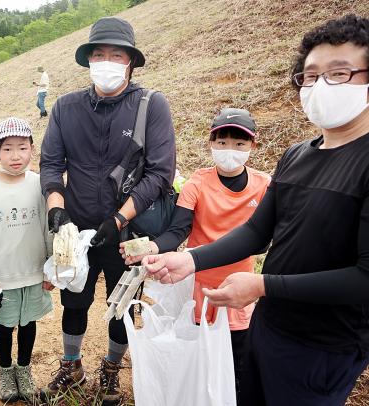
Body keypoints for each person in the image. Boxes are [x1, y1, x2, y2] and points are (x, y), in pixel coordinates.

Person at [143, 14, 369, 406]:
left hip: (326, 344)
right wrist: (190, 262)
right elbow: (256, 233)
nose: (320, 86)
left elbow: (365, 278)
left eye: (340, 73)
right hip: (270, 325)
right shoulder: (298, 155)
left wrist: (263, 286)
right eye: (310, 75)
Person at [39, 16, 175, 404]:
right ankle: (71, 364)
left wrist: (119, 218)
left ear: (130, 62)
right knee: (74, 300)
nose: (107, 61)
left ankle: (112, 369)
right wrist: (56, 209)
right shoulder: (65, 108)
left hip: (126, 233)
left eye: (117, 54)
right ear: (88, 60)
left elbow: (160, 174)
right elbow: (51, 164)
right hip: (76, 232)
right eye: (99, 54)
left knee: (121, 305)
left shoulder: (151, 106)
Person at [121, 108, 270, 397]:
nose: (230, 150)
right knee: (203, 358)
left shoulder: (264, 186)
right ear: (211, 143)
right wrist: (149, 248)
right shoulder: (197, 184)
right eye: (222, 142)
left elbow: (262, 240)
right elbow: (179, 231)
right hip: (200, 287)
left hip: (241, 288)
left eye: (240, 144)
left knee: (238, 359)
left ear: (253, 146)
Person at [0, 117, 54, 403]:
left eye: (22, 148)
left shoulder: (40, 184)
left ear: (32, 149)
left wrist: (50, 269)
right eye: (7, 149)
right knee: (4, 327)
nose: (15, 156)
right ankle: (5, 371)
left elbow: (48, 227)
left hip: (33, 271)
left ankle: (24, 368)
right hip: (1, 278)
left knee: (28, 324)